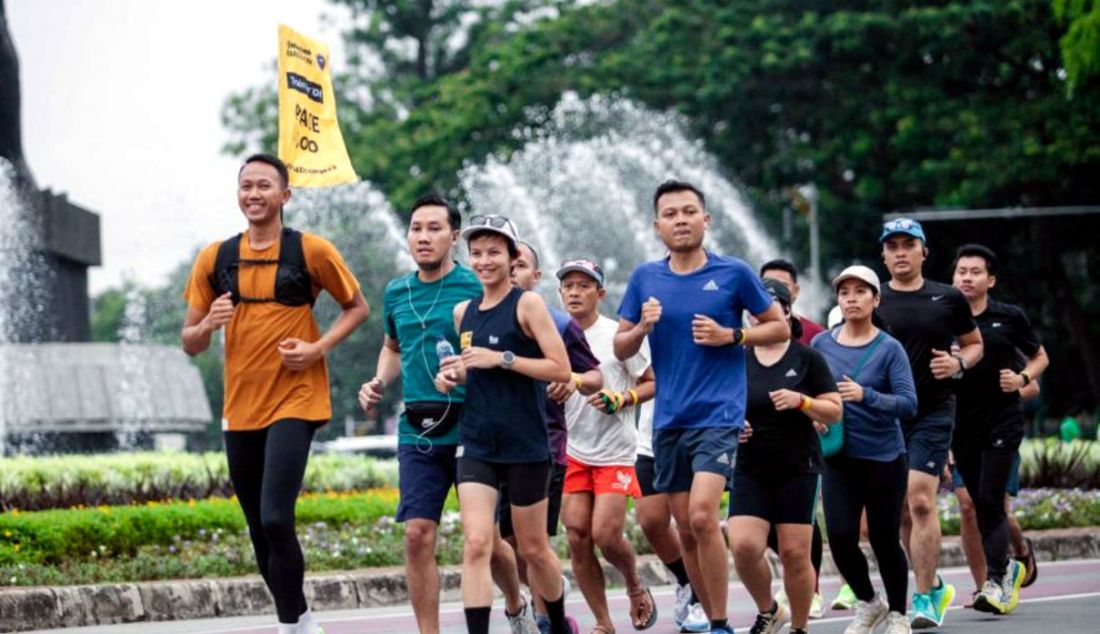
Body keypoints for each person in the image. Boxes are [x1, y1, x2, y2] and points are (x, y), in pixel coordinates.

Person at [182, 154, 369, 634]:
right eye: (246, 186)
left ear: (285, 195)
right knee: (257, 528)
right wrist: (208, 324)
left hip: (297, 396)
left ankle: (291, 627)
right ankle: (300, 618)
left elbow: (357, 307)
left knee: (275, 518)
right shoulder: (215, 258)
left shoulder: (311, 251)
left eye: (264, 186)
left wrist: (317, 348)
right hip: (240, 405)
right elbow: (190, 342)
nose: (253, 194)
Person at [615, 180, 789, 634]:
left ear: (706, 220)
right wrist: (641, 329)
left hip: (719, 415)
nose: (681, 220)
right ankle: (716, 613)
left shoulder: (734, 273)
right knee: (686, 529)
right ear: (657, 226)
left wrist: (733, 335)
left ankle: (719, 622)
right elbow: (619, 346)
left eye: (689, 211)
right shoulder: (645, 278)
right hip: (670, 418)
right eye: (670, 214)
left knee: (700, 515)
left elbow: (778, 328)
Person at [358, 195, 537, 633]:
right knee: (417, 535)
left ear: (454, 237)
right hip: (417, 429)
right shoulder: (397, 291)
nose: (423, 237)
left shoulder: (476, 286)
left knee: (489, 543)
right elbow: (392, 346)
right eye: (416, 228)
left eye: (434, 228)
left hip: (472, 424)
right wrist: (379, 381)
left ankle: (516, 604)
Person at [434, 215, 577, 634]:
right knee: (477, 543)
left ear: (514, 259)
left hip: (526, 443)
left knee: (533, 549)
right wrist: (454, 376)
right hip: (477, 442)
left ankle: (557, 623)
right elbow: (471, 372)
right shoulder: (464, 312)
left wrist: (504, 359)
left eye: (494, 252)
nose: (484, 260)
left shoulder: (527, 305)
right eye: (476, 253)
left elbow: (561, 370)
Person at [877, 218, 983, 629]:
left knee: (921, 499)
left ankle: (922, 598)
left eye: (909, 245)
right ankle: (933, 582)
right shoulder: (873, 299)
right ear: (884, 255)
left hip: (934, 410)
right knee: (900, 509)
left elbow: (975, 345)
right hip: (886, 414)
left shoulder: (948, 297)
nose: (901, 252)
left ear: (924, 251)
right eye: (893, 246)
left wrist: (957, 363)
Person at [492, 241, 602, 634]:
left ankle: (545, 619)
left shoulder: (558, 324)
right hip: (492, 446)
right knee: (501, 542)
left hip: (544, 444)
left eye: (522, 265)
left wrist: (571, 380)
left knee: (531, 542)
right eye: (511, 263)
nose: (513, 270)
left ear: (534, 277)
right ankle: (548, 588)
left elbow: (595, 376)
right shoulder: (480, 317)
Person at [728, 278, 841, 634]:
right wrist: (733, 426)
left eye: (767, 309)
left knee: (795, 555)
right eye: (753, 311)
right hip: (750, 466)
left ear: (786, 311)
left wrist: (802, 402)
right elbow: (720, 406)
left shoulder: (807, 358)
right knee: (744, 546)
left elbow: (834, 411)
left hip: (798, 466)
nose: (759, 317)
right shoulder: (736, 359)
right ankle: (770, 610)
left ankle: (800, 627)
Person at [812, 265, 917, 634]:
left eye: (860, 292)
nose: (852, 298)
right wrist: (815, 416)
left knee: (884, 538)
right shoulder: (821, 344)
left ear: (876, 299)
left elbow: (908, 404)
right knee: (840, 538)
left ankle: (900, 614)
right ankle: (871, 604)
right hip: (838, 456)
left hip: (884, 457)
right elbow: (813, 396)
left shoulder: (890, 348)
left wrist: (865, 395)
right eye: (845, 292)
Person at [555, 258, 657, 634]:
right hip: (572, 450)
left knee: (605, 534)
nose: (575, 292)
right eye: (569, 286)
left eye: (584, 285)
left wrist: (623, 398)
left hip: (614, 450)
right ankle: (603, 622)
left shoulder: (617, 336)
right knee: (577, 536)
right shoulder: (553, 335)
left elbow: (652, 382)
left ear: (600, 293)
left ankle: (634, 583)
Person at [950, 244, 1048, 614]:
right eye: (961, 271)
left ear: (990, 280)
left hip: (1002, 419)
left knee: (990, 500)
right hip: (962, 423)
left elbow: (1041, 357)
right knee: (976, 502)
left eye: (975, 272)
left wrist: (1021, 377)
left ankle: (998, 578)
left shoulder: (1009, 317)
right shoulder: (943, 319)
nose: (967, 278)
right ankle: (1004, 570)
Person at [758, 259, 829, 616]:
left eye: (778, 289)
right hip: (752, 457)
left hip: (801, 451)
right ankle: (777, 601)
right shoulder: (742, 349)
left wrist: (809, 407)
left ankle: (807, 590)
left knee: (799, 535)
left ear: (792, 297)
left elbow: (829, 391)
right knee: (751, 534)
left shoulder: (813, 336)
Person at [759, 259, 826, 345]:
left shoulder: (816, 336)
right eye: (768, 286)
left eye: (783, 285)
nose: (776, 291)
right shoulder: (744, 335)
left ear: (796, 291)